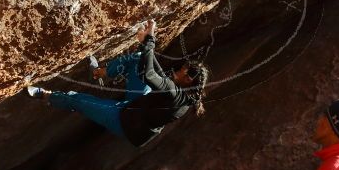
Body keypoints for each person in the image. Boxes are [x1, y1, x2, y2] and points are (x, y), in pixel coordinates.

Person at [28, 20, 209, 147]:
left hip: (125, 122)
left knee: (80, 101)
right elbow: (157, 73)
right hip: (138, 105)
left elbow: (149, 74)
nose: (178, 70)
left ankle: (45, 95)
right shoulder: (179, 92)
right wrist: (146, 44)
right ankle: (99, 72)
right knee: (139, 58)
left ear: (189, 79)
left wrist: (150, 40)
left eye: (183, 69)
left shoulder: (176, 97)